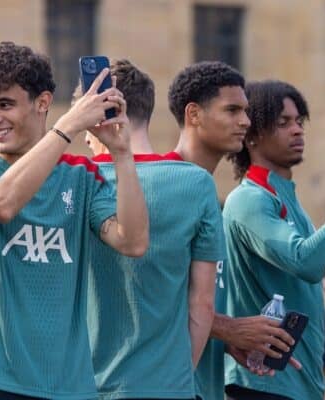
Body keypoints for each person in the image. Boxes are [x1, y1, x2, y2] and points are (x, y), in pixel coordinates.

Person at [0, 41, 149, 399]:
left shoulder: (81, 176)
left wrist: (122, 152)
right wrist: (67, 127)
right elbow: (0, 205)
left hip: (71, 387)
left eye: (4, 104)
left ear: (42, 103)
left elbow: (132, 242)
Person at [79, 59, 223, 400]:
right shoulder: (197, 183)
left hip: (83, 383)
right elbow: (202, 302)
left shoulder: (76, 180)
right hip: (167, 385)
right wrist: (178, 375)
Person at [166, 62, 298, 400]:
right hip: (164, 385)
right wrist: (230, 328)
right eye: (232, 110)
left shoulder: (207, 192)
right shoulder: (162, 185)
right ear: (193, 114)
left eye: (246, 111)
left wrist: (228, 340)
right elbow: (149, 296)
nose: (245, 121)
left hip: (205, 385)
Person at [222, 80, 325, 400]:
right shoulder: (249, 200)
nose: (297, 130)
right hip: (263, 383)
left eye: (299, 121)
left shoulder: (287, 198)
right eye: (282, 123)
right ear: (251, 134)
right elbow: (305, 262)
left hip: (298, 383)